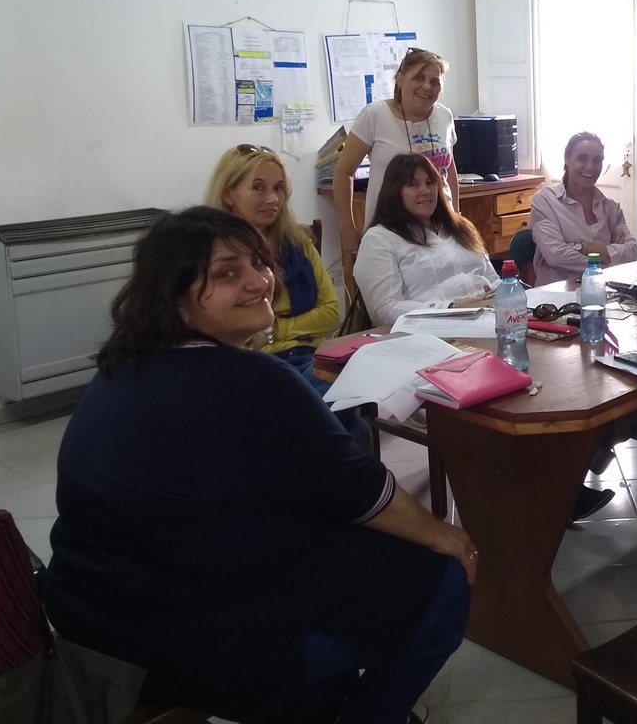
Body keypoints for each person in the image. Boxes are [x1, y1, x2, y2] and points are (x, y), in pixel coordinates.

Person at [45, 207, 477, 724]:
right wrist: (443, 535)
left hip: (85, 611)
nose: (259, 281)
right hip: (176, 637)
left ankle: (319, 702)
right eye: (228, 273)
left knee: (343, 555)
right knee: (441, 581)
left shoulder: (121, 368)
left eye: (259, 262)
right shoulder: (253, 380)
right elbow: (361, 492)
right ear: (174, 297)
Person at [203, 145, 372, 451]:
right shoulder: (213, 253)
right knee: (353, 431)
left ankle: (289, 448)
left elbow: (330, 312)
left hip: (307, 357)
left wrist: (275, 330)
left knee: (353, 380)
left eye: (279, 188)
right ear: (228, 193)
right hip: (253, 365)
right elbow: (220, 328)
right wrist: (281, 332)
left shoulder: (298, 242)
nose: (272, 199)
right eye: (258, 187)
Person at [333, 47, 460, 258]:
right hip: (390, 233)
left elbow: (449, 170)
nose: (427, 86)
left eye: (435, 81)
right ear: (400, 79)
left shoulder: (445, 116)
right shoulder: (375, 115)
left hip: (441, 229)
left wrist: (456, 216)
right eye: (418, 77)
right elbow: (343, 172)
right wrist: (348, 229)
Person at [354, 153, 499, 329]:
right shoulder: (379, 240)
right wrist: (451, 308)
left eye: (430, 182)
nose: (425, 190)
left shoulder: (460, 227)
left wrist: (507, 293)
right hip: (430, 332)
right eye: (413, 184)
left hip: (489, 319)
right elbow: (384, 310)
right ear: (394, 192)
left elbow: (493, 279)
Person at [530, 132, 637, 287]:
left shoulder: (611, 208)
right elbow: (556, 256)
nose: (590, 167)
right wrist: (606, 259)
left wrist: (581, 248)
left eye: (597, 160)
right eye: (582, 158)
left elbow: (632, 251)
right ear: (566, 159)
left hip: (603, 292)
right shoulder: (545, 201)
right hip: (556, 296)